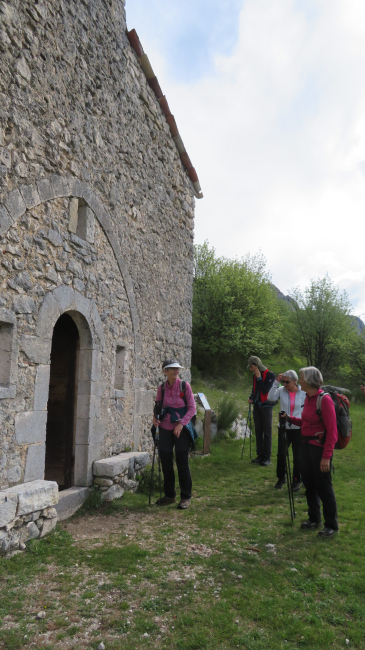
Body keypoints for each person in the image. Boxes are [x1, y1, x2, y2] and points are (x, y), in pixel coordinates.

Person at [283, 366, 339, 537]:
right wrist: (289, 419)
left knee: (323, 486)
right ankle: (314, 518)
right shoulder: (307, 398)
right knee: (309, 484)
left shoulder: (325, 400)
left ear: (309, 380)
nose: (299, 381)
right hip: (305, 447)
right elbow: (307, 422)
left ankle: (331, 525)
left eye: (301, 378)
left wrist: (326, 457)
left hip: (319, 449)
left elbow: (333, 432)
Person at [152, 359, 196, 509]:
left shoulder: (184, 386)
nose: (176, 371)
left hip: (181, 427)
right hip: (165, 427)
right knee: (165, 461)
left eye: (177, 369)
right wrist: (155, 417)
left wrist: (181, 424)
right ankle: (170, 495)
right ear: (165, 372)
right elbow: (158, 405)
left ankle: (186, 497)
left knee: (182, 461)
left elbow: (192, 409)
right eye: (172, 369)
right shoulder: (162, 388)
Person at [268, 370, 306, 491]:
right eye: (283, 381)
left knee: (298, 456)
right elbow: (270, 397)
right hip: (284, 427)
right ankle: (281, 478)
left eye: (287, 382)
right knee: (281, 454)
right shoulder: (281, 390)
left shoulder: (303, 392)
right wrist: (276, 383)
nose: (285, 384)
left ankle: (296, 480)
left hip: (298, 428)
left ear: (295, 381)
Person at [247, 356, 275, 466]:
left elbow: (265, 390)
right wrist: (251, 397)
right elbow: (255, 390)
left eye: (251, 366)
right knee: (258, 430)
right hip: (257, 406)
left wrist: (259, 378)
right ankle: (260, 455)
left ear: (256, 365)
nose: (250, 369)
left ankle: (267, 457)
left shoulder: (270, 375)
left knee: (267, 431)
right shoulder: (255, 376)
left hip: (267, 407)